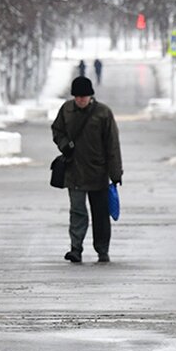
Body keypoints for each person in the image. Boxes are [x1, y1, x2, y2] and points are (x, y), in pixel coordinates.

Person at [51, 75, 122, 263]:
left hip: (98, 173)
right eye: (77, 97)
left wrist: (115, 173)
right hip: (73, 172)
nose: (81, 100)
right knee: (77, 212)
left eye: (84, 96)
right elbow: (57, 130)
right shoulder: (66, 110)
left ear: (91, 96)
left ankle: (102, 250)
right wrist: (64, 144)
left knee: (100, 215)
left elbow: (112, 145)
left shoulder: (103, 113)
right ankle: (76, 248)